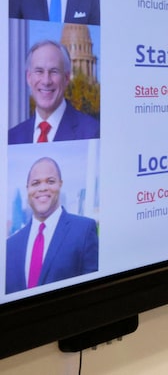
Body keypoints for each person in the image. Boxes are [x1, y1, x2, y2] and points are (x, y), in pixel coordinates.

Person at [5, 156, 99, 294]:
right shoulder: (11, 245)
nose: (43, 188)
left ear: (60, 184)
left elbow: (94, 293)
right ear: (28, 188)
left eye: (50, 181)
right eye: (36, 183)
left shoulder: (84, 231)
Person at [8, 40, 99, 144]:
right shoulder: (12, 137)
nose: (46, 81)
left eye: (54, 71)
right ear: (29, 78)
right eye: (39, 71)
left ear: (66, 78)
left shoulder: (92, 132)